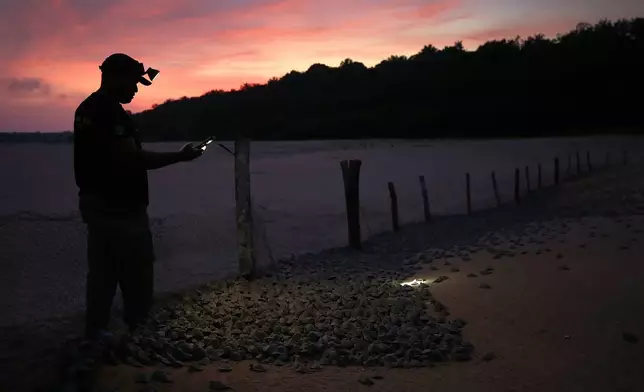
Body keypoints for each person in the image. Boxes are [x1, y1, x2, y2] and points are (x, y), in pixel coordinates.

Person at [73, 53, 203, 340]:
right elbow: (132, 158)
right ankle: (139, 331)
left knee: (103, 272)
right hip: (119, 207)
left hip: (96, 203)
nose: (135, 89)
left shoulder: (86, 109)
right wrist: (180, 157)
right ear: (114, 78)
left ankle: (96, 331)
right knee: (137, 272)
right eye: (132, 83)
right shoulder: (110, 113)